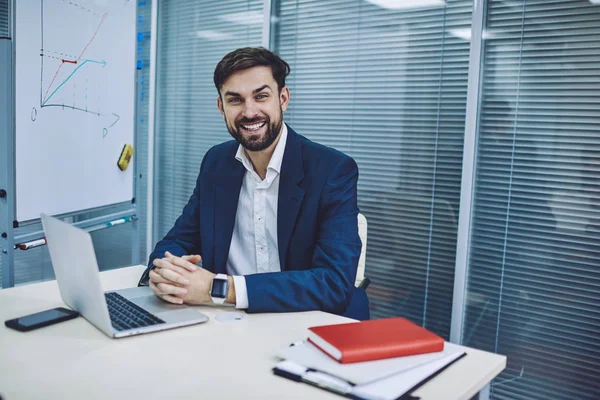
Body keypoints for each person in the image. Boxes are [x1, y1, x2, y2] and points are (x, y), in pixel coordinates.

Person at [138, 47, 369, 320]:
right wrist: (165, 273)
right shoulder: (217, 162)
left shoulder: (331, 170)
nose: (249, 112)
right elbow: (180, 239)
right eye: (235, 100)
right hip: (228, 322)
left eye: (261, 96)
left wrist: (218, 288)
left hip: (307, 322)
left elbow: (332, 283)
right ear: (221, 107)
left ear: (282, 99)